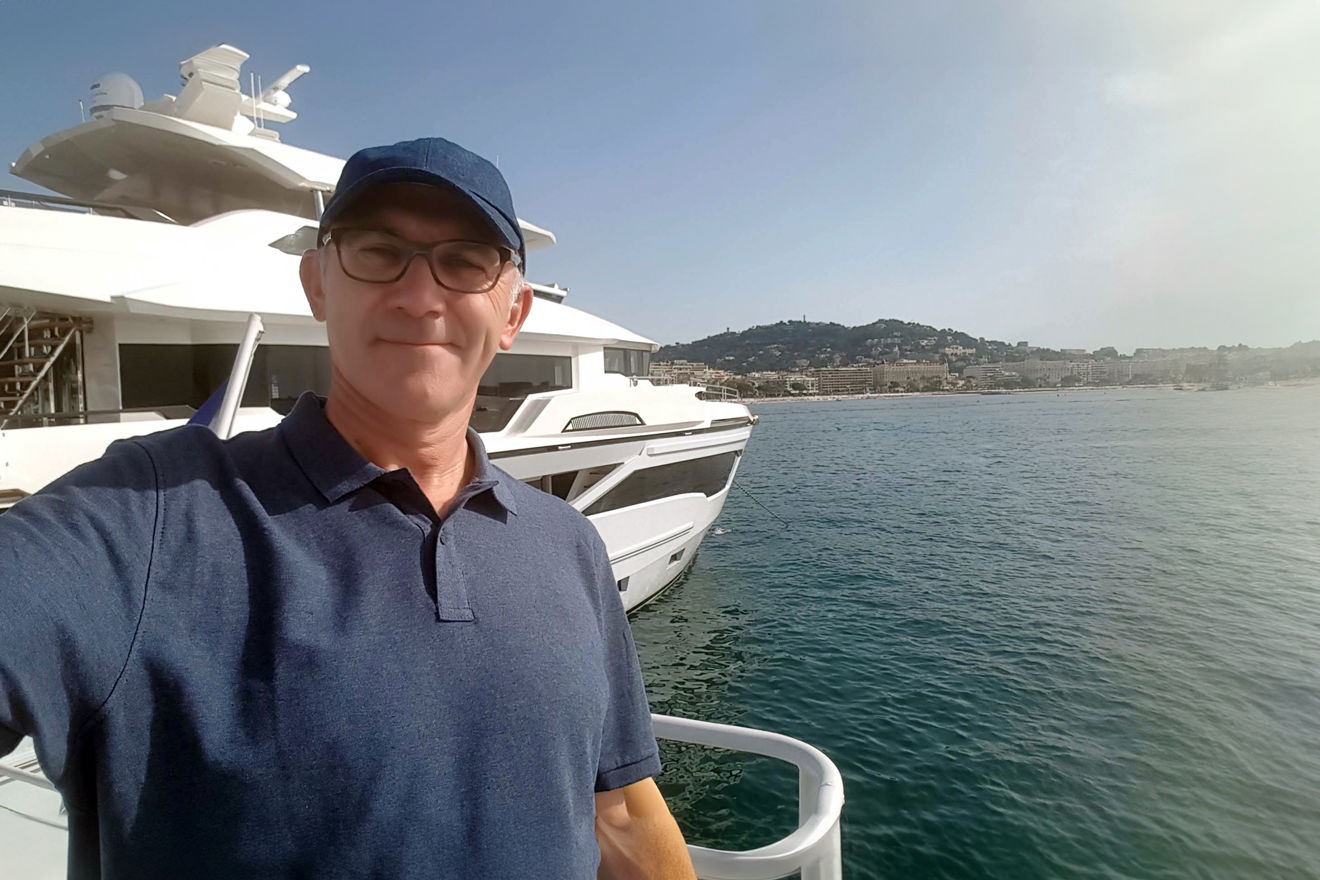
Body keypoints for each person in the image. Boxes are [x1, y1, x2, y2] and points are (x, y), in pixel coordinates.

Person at [0, 137, 697, 879]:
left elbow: (620, 809)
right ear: (318, 284)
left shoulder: (568, 543)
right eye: (377, 249)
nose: (420, 295)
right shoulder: (151, 517)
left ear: (514, 313)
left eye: (465, 262)